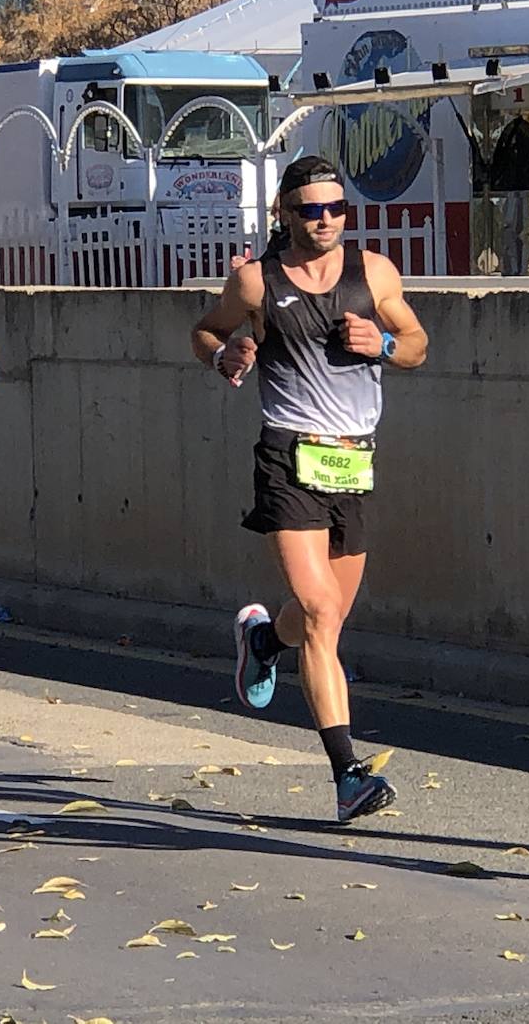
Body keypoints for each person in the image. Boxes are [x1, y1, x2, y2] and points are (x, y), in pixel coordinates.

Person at [190, 156, 429, 822]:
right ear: (284, 215)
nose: (325, 220)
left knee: (321, 618)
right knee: (321, 611)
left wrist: (379, 340)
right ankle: (349, 772)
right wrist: (224, 355)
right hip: (288, 455)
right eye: (310, 210)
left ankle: (264, 641)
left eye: (336, 208)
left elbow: (417, 344)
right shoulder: (256, 282)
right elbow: (206, 329)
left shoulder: (373, 273)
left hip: (354, 462)